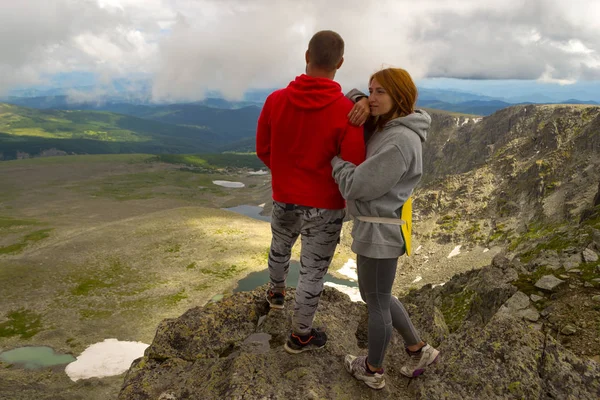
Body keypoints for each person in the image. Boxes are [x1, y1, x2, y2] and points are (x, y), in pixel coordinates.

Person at [256, 30, 366, 354]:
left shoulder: (275, 100)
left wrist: (286, 175)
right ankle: (300, 335)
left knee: (280, 247)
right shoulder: (348, 113)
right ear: (340, 63)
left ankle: (276, 295)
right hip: (326, 207)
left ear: (307, 56)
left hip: (284, 196)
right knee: (312, 271)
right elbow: (354, 164)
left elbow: (264, 148)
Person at [331, 68, 439, 389]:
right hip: (377, 229)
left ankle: (373, 369)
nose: (373, 98)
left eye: (380, 92)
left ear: (400, 96)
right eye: (371, 90)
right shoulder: (388, 126)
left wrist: (335, 161)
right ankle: (418, 350)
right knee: (378, 294)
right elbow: (345, 96)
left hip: (381, 233)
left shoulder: (399, 141)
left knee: (376, 302)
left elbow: (357, 185)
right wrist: (361, 99)